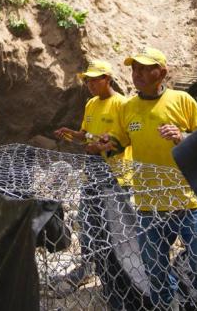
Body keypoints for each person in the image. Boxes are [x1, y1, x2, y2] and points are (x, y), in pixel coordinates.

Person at [91, 48, 197, 309]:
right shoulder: (128, 107)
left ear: (163, 72)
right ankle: (167, 306)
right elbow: (120, 141)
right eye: (135, 69)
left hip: (188, 201)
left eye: (146, 69)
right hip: (148, 205)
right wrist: (107, 142)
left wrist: (183, 137)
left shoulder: (182, 100)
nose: (139, 75)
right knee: (154, 267)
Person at [52, 59, 131, 298]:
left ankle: (121, 273)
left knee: (116, 225)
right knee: (88, 221)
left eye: (94, 80)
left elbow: (128, 138)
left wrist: (106, 146)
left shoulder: (123, 104)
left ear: (107, 78)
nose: (89, 84)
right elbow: (84, 136)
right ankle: (87, 267)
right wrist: (71, 135)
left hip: (116, 173)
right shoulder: (91, 104)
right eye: (87, 80)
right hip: (92, 170)